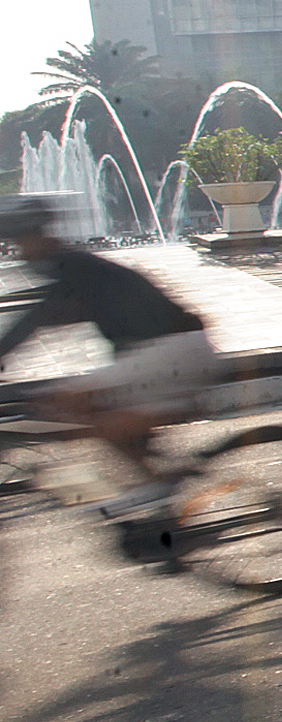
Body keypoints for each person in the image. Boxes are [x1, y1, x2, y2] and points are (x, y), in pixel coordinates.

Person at [0, 194, 215, 505]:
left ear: (38, 235)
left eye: (19, 243)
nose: (19, 254)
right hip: (170, 349)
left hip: (174, 349)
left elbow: (34, 319)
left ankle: (157, 485)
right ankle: (152, 471)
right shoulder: (71, 265)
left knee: (68, 398)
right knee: (92, 406)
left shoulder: (71, 266)